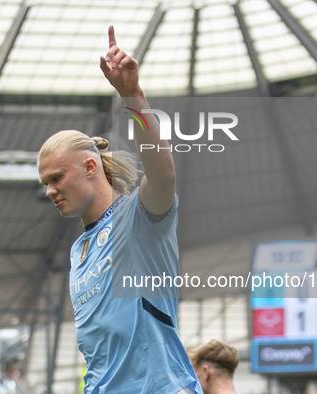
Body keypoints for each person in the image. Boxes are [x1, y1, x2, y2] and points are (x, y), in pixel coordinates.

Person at [37, 26, 202, 393]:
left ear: (90, 167)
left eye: (57, 178)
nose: (49, 191)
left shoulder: (139, 219)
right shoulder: (78, 252)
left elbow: (162, 172)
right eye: (45, 182)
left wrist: (133, 96)